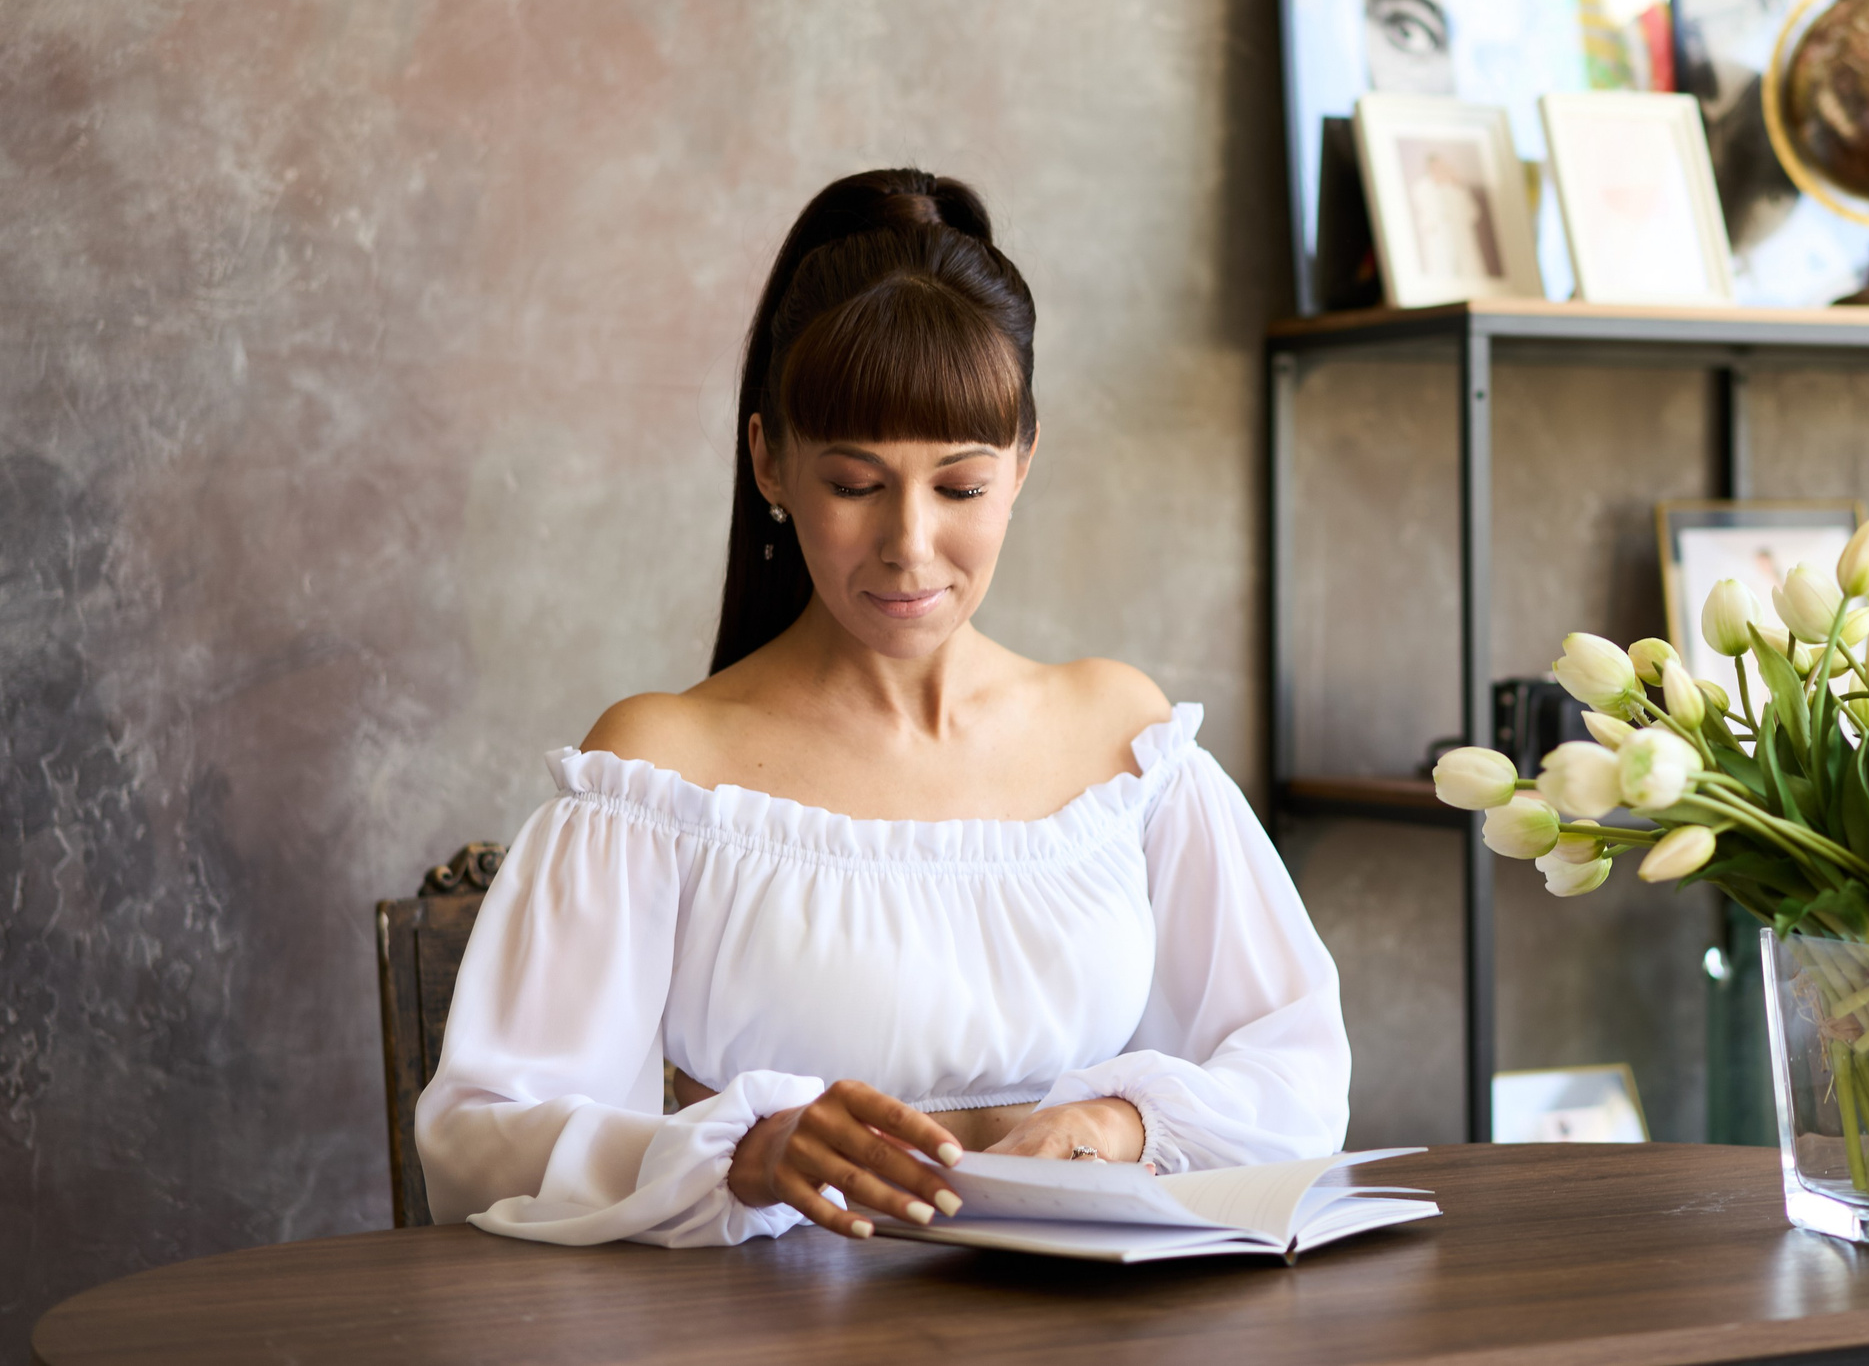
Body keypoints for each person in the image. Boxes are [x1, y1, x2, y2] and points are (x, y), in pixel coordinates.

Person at [415, 170, 1351, 1248]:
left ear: (1023, 462)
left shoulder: (1122, 746)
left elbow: (1296, 1063)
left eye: (959, 486)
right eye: (855, 484)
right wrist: (751, 1152)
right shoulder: (658, 771)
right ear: (769, 459)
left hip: (1088, 1323)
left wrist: (1119, 1122)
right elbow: (480, 1144)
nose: (909, 545)